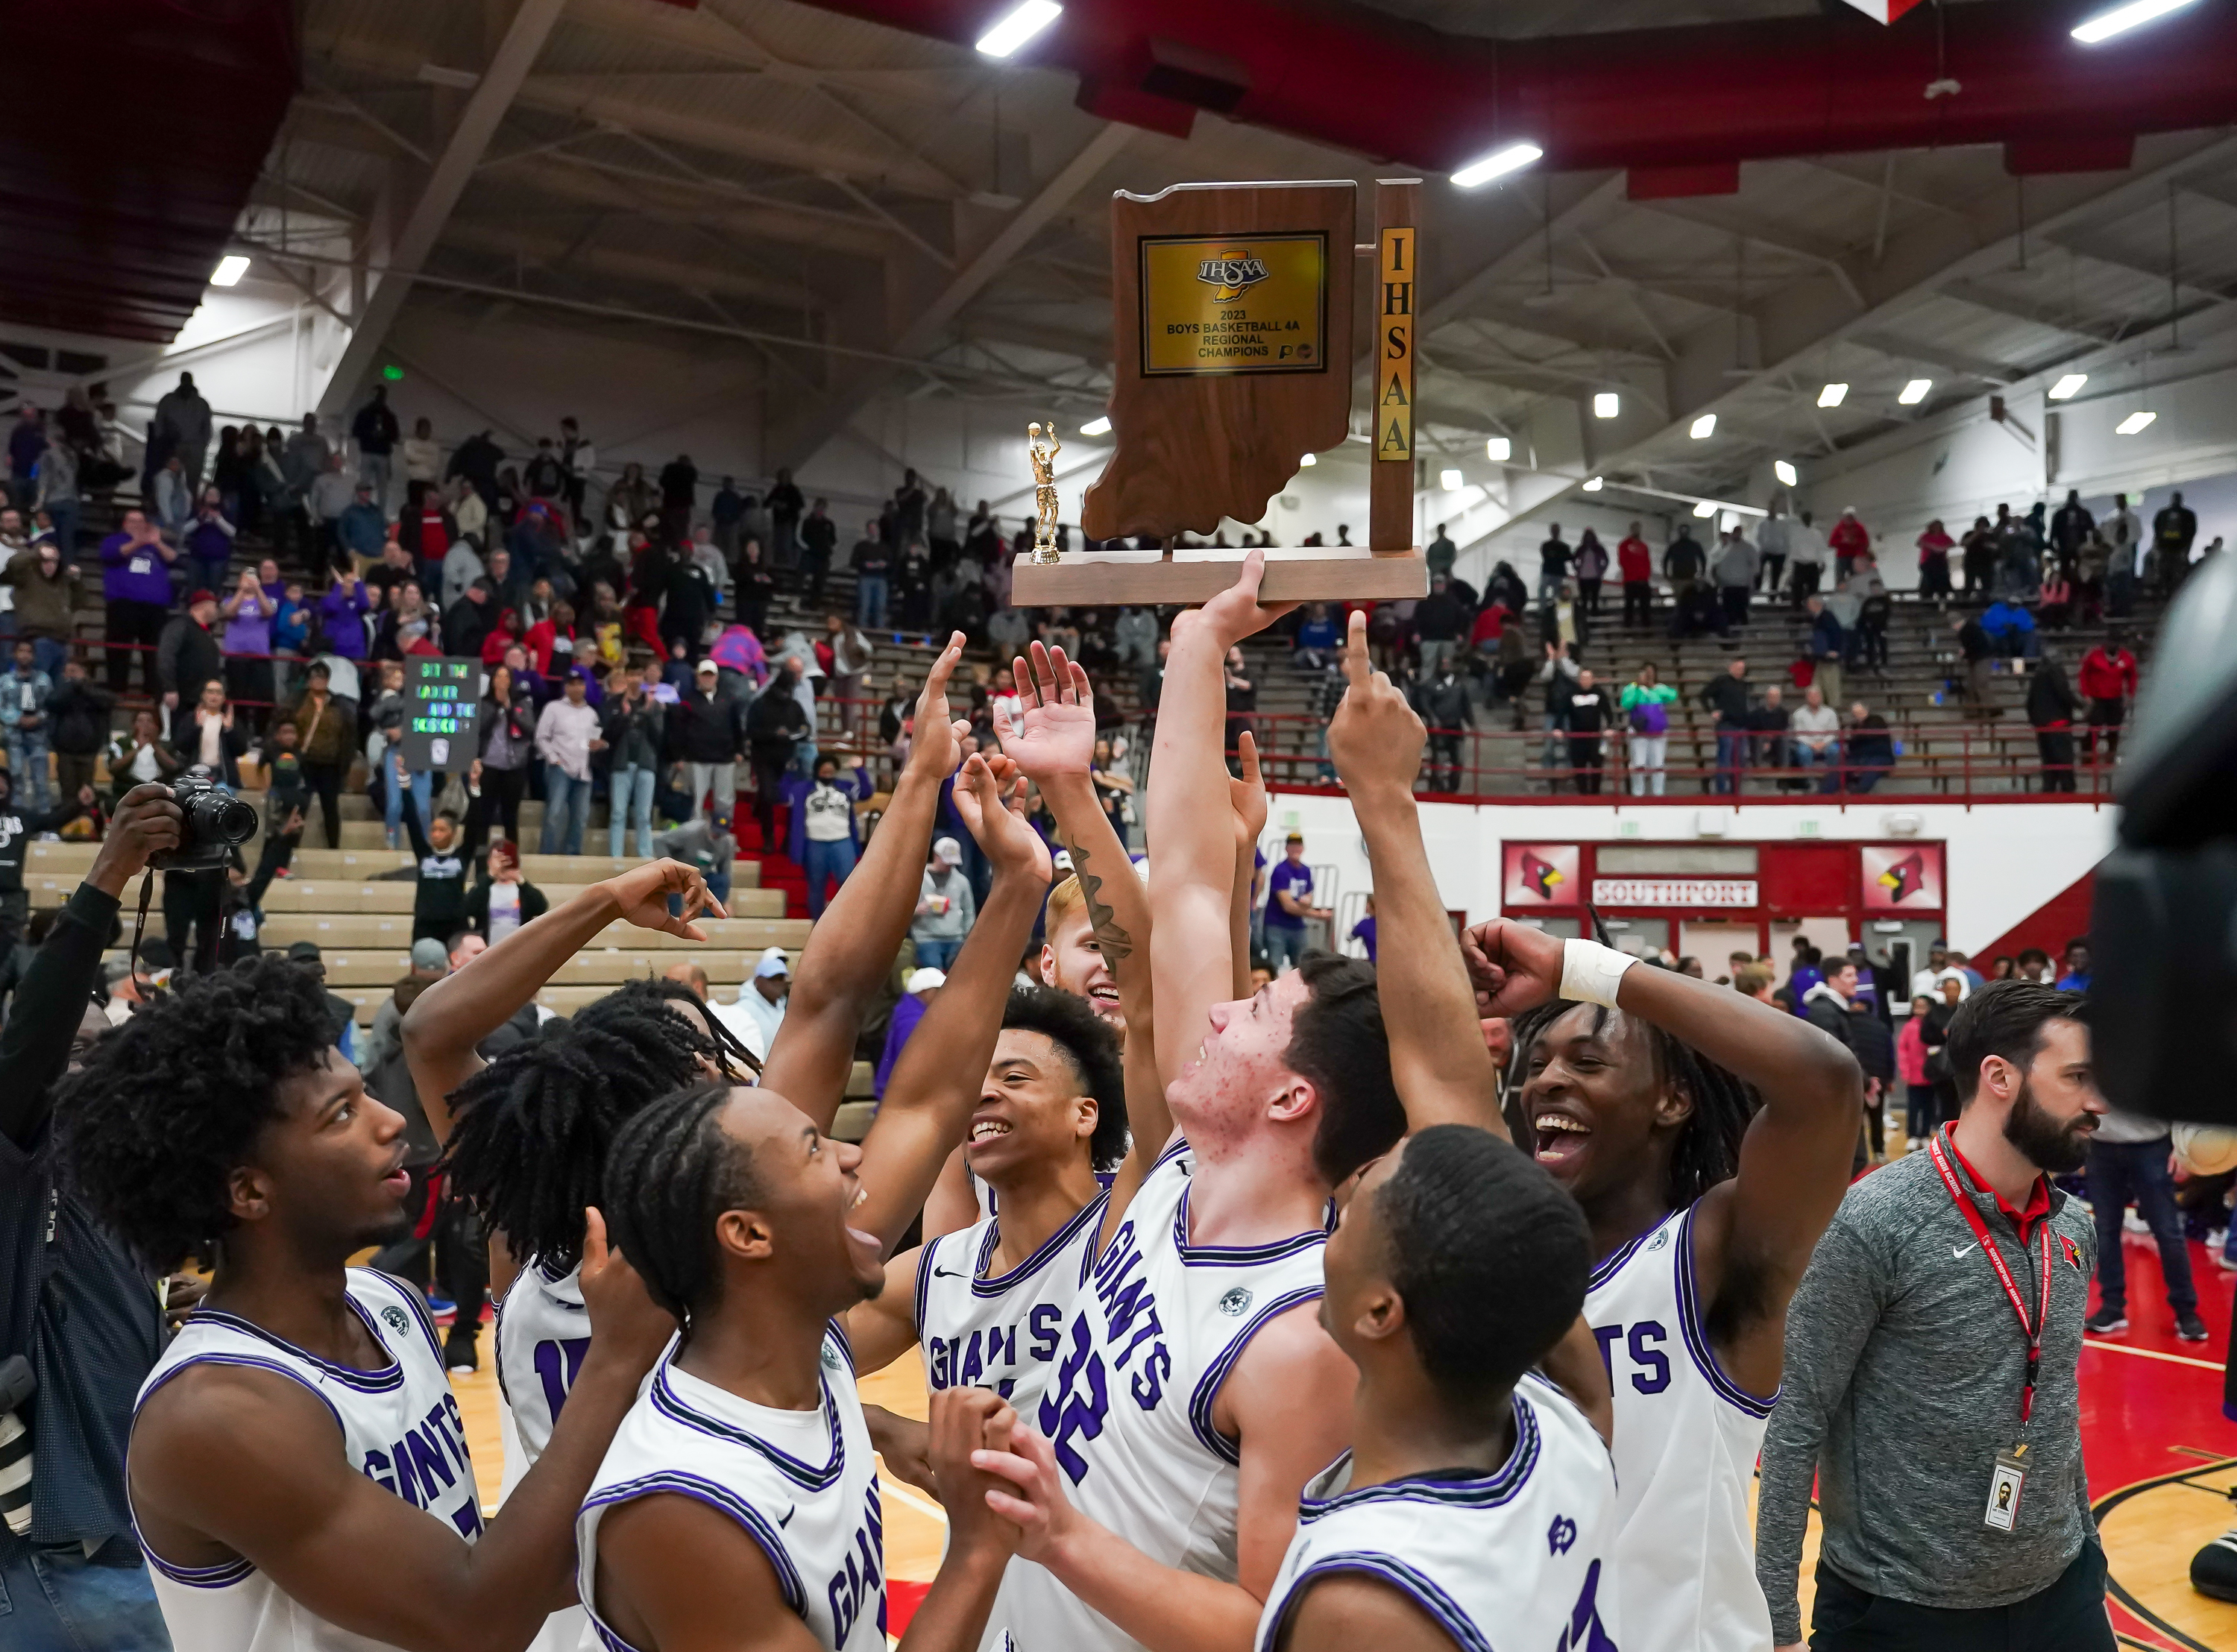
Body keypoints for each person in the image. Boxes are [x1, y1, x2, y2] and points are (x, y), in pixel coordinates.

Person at [949, 570, 1398, 1652]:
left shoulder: (1302, 1339)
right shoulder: (1184, 1170)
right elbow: (1192, 884)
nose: (1223, 1008)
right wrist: (1198, 647)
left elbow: (1271, 1627)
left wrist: (1061, 1538)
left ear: (1292, 1097)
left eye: (1255, 1008)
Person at [52, 917, 678, 1652]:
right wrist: (613, 1360)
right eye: (342, 1113)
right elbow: (471, 1614)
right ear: (249, 1190)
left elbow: (483, 1551)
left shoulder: (392, 1303)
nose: (389, 1121)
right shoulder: (215, 1411)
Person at [1473, 842, 1860, 1652]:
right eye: (1537, 1061)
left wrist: (1588, 969)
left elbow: (1824, 1082)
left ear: (1673, 1098)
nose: (1546, 1080)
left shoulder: (1710, 1251)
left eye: (1588, 1061)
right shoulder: (1495, 1254)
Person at [1756, 983, 2109, 1651]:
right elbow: (1797, 1418)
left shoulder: (2073, 1226)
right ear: (1999, 1077)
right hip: (1900, 1610)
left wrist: (2086, 1544)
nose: (2099, 1103)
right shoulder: (1875, 1222)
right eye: (2078, 1079)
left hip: (2063, 1591)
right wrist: (1776, 1621)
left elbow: (2054, 1397)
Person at [0, 786, 189, 1648]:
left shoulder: (102, 1178)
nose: (91, 1070)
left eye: (102, 1050)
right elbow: (31, 1040)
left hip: (132, 1528)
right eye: (72, 1055)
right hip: (60, 1549)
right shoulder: (16, 1166)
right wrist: (107, 877)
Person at [2083, 1105, 2206, 1342]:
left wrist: (2181, 1149)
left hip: (2151, 1144)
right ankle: (2112, 1306)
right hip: (2100, 1144)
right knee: (2105, 1229)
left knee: (2168, 1231)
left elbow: (2175, 1092)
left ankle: (2185, 1310)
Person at [789, 749, 873, 918]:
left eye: (831, 772)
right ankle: (816, 922)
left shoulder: (845, 787)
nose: (827, 775)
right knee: (816, 885)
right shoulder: (804, 789)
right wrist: (790, 770)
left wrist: (859, 770)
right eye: (824, 772)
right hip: (815, 843)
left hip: (842, 841)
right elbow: (783, 794)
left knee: (847, 882)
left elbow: (866, 792)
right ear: (817, 772)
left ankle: (846, 920)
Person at [671, 661, 745, 834]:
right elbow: (678, 730)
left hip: (725, 758)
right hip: (697, 758)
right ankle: (694, 837)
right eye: (704, 675)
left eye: (710, 675)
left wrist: (740, 750)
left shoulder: (729, 700)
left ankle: (722, 836)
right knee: (696, 801)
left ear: (717, 677)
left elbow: (737, 726)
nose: (707, 679)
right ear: (697, 676)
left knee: (724, 801)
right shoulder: (688, 701)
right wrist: (678, 756)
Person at [601, 663, 665, 860]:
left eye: (639, 675)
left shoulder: (653, 704)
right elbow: (607, 736)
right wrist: (624, 716)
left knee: (644, 815)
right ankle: (615, 857)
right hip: (621, 763)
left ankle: (645, 855)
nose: (635, 679)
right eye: (631, 675)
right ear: (626, 677)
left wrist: (646, 713)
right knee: (618, 813)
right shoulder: (615, 703)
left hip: (646, 764)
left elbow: (659, 737)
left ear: (643, 678)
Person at [536, 671, 604, 856]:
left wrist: (598, 745)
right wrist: (553, 758)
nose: (576, 687)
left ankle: (572, 855)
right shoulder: (553, 708)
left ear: (585, 687)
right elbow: (541, 737)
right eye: (572, 684)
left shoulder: (591, 714)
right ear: (565, 687)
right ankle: (547, 854)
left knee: (581, 817)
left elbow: (594, 739)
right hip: (560, 767)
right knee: (554, 814)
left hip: (583, 769)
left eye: (580, 684)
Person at [1262, 830, 1329, 974]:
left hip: (1297, 925)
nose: (1295, 849)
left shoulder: (1306, 871)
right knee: (1276, 965)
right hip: (1277, 924)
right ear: (1286, 848)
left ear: (1303, 848)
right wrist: (1316, 915)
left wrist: (1304, 904)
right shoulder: (1280, 871)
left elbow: (1308, 898)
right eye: (1291, 846)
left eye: (1298, 846)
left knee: (1302, 965)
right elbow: (1288, 905)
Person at [913, 834, 978, 970]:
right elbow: (902, 912)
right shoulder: (918, 879)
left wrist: (968, 936)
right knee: (933, 973)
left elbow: (969, 910)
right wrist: (917, 910)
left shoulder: (961, 882)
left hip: (956, 937)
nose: (949, 866)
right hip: (926, 937)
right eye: (946, 861)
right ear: (936, 856)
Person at [2077, 629, 2136, 772]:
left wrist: (2130, 694)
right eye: (2110, 642)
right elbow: (2083, 674)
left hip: (2115, 699)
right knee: (2094, 728)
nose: (2111, 645)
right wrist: (2086, 694)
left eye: (2115, 642)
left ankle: (2111, 756)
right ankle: (2087, 756)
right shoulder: (2093, 655)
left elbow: (2132, 676)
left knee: (2114, 729)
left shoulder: (2127, 658)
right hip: (2096, 699)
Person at [2027, 646, 2084, 794]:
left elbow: (2029, 701)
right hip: (2058, 722)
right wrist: (2081, 706)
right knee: (2064, 758)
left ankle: (2049, 788)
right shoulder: (2056, 672)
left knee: (2048, 760)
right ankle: (2068, 788)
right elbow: (2063, 693)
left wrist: (2035, 720)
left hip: (2042, 724)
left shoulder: (2037, 675)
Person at [1702, 657, 1752, 795]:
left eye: (1742, 669)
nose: (1740, 671)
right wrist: (1711, 711)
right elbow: (1703, 695)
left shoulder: (1744, 684)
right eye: (1738, 668)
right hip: (1726, 725)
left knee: (1741, 760)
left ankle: (1735, 790)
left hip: (1741, 726)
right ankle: (1721, 790)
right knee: (1725, 759)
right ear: (1731, 668)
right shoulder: (1721, 681)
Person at [1564, 665, 1611, 795]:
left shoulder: (1599, 693)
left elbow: (1608, 711)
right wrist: (1557, 727)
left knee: (1597, 766)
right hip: (1577, 738)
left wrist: (1611, 727)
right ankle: (1583, 795)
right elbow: (1562, 711)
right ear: (1580, 680)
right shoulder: (1571, 694)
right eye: (1583, 678)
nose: (1585, 681)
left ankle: (1595, 794)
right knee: (1579, 768)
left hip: (1595, 737)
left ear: (1593, 680)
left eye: (1588, 678)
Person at [1788, 684, 1840, 782]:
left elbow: (1834, 732)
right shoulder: (1799, 713)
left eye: (1816, 696)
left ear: (1821, 697)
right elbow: (1798, 734)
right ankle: (1809, 780)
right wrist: (1811, 744)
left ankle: (1832, 779)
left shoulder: (1830, 712)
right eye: (1811, 696)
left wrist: (1823, 743)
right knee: (1803, 752)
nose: (1814, 699)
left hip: (1827, 743)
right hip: (1807, 744)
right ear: (1807, 698)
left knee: (1835, 750)